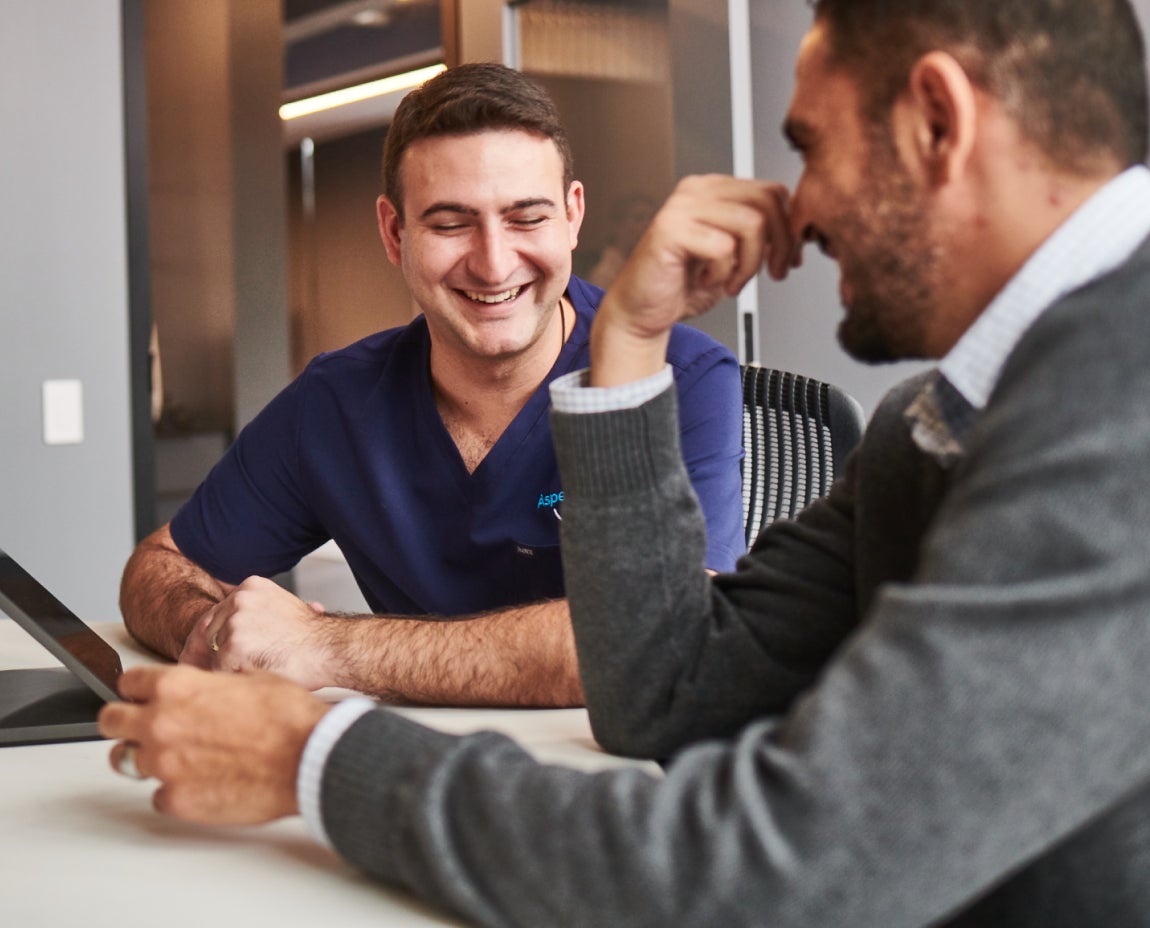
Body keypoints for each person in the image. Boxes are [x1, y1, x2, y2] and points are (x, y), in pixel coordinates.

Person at [99, 0, 1150, 924]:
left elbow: (759, 873)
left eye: (810, 148)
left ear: (936, 122)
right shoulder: (941, 416)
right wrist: (631, 340)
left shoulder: (1118, 409)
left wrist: (305, 753)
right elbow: (663, 690)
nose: (803, 211)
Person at [118, 63, 744, 706]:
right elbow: (158, 569)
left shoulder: (678, 378)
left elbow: (661, 637)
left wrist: (324, 644)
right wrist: (217, 634)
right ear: (395, 233)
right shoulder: (337, 401)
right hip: (397, 768)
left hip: (604, 777)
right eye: (451, 224)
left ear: (572, 215)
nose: (494, 262)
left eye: (527, 217)